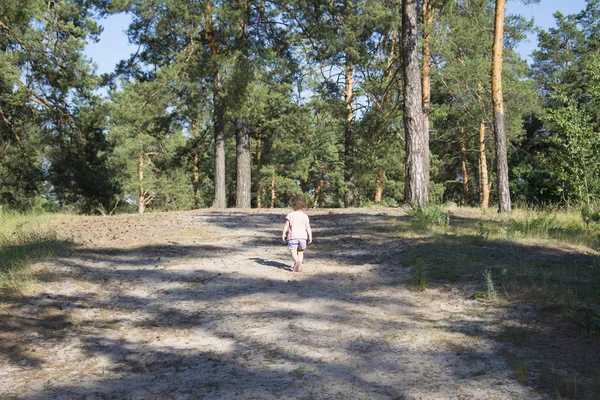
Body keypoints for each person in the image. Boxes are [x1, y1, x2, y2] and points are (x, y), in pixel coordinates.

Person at [281, 194, 313, 272]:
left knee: (293, 251)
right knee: (300, 252)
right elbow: (308, 227)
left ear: (292, 205)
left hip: (293, 237)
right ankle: (299, 264)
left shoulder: (290, 215)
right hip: (303, 237)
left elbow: (286, 225)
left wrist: (284, 233)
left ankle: (296, 261)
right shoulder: (305, 216)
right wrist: (310, 236)